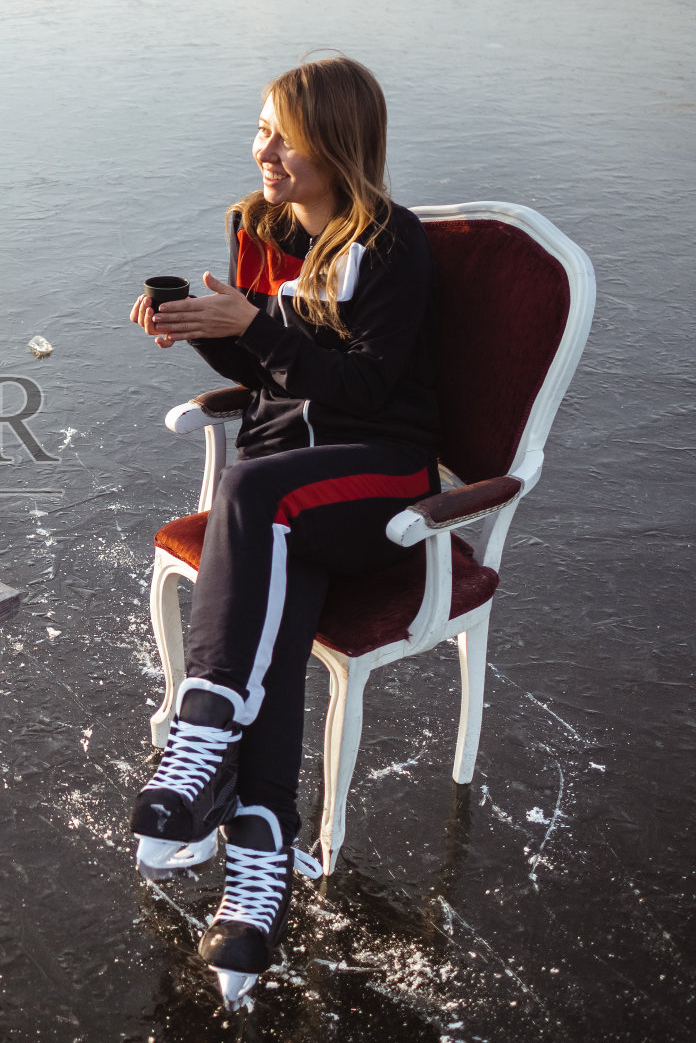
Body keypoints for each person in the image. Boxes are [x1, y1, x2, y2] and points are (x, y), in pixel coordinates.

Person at [125, 55, 438, 1008]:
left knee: (252, 499)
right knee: (278, 587)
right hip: (285, 481)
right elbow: (271, 372)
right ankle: (259, 863)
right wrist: (203, 325)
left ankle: (203, 727)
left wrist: (253, 325)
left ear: (336, 142)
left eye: (282, 134)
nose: (262, 148)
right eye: (260, 127)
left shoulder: (391, 243)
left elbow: (362, 388)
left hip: (379, 476)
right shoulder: (257, 227)